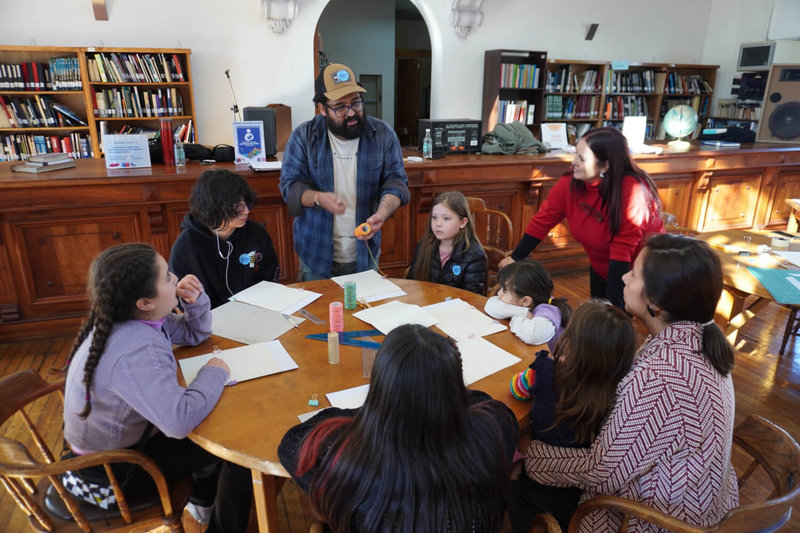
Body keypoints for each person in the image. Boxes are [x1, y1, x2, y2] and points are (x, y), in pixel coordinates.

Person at [522, 233, 739, 532]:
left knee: (523, 483)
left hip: (655, 520)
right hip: (701, 504)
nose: (624, 278)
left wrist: (531, 455)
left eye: (634, 274)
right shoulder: (701, 342)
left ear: (656, 301)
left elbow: (602, 472)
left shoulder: (661, 374)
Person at [63, 243, 252, 532]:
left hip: (116, 449)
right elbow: (177, 423)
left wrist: (196, 302)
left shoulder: (138, 320)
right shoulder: (136, 349)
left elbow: (194, 333)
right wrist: (214, 372)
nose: (175, 278)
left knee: (217, 424)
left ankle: (201, 497)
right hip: (112, 472)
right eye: (166, 277)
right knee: (239, 447)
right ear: (145, 302)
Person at [278, 324, 519, 533]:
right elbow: (482, 401)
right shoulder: (493, 427)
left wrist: (375, 411)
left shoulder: (342, 452)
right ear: (453, 384)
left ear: (381, 386)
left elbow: (292, 441)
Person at [499, 127, 663, 308]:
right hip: (600, 266)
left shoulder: (631, 191)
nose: (573, 162)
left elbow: (621, 253)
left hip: (636, 275)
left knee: (613, 322)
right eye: (575, 154)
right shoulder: (572, 182)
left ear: (605, 165)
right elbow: (543, 219)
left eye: (582, 159)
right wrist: (516, 257)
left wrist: (612, 310)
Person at [507, 300, 636, 531]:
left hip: (537, 477)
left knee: (514, 485)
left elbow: (516, 389)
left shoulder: (543, 370)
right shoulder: (615, 396)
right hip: (576, 493)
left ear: (569, 340)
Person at [279, 63, 410, 280]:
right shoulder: (303, 137)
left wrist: (383, 212)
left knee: (364, 313)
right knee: (318, 314)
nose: (351, 113)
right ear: (322, 109)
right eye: (339, 106)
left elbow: (396, 182)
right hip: (316, 255)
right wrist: (318, 198)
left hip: (364, 254)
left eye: (356, 102)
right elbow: (290, 187)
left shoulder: (383, 134)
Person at [169, 169, 279, 309]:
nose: (246, 211)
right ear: (215, 208)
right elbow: (183, 298)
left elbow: (270, 278)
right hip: (209, 319)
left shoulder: (256, 234)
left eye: (246, 203)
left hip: (256, 311)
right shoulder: (186, 246)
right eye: (238, 207)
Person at [406, 191, 487, 295]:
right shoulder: (423, 245)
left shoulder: (474, 255)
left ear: (463, 222)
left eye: (446, 218)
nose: (438, 224)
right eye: (434, 217)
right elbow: (412, 283)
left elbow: (472, 297)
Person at [484, 259, 572, 351]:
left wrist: (514, 316)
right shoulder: (533, 301)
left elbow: (533, 336)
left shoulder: (549, 312)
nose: (499, 293)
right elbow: (490, 305)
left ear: (525, 301)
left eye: (505, 291)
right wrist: (522, 312)